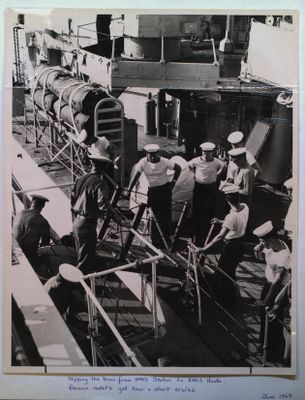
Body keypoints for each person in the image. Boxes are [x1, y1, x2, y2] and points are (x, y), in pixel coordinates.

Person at [197, 184, 249, 306]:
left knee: (223, 273)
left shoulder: (231, 216)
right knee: (230, 272)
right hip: (240, 244)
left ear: (227, 199)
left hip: (230, 246)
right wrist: (221, 221)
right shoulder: (245, 207)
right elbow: (237, 222)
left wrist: (203, 249)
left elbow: (220, 236)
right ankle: (229, 298)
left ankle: (226, 302)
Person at [126, 144, 181, 248]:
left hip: (164, 190)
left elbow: (178, 168)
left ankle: (166, 240)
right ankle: (153, 240)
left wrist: (172, 183)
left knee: (165, 215)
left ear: (158, 153)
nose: (152, 157)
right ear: (146, 154)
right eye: (150, 155)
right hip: (152, 191)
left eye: (154, 154)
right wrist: (129, 190)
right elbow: (136, 176)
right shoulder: (143, 162)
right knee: (152, 215)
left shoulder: (164, 161)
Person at [253, 221, 291, 362]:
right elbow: (261, 258)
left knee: (273, 318)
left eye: (263, 241)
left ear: (272, 239)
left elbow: (278, 281)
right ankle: (264, 344)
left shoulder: (284, 255)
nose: (262, 244)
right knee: (264, 316)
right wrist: (257, 250)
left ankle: (273, 352)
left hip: (278, 288)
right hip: (268, 283)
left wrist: (267, 300)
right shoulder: (270, 246)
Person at [71, 154, 114, 273]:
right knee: (86, 260)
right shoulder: (100, 184)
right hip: (87, 225)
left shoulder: (80, 179)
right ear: (104, 169)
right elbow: (104, 205)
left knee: (80, 254)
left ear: (92, 164)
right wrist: (120, 220)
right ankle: (78, 284)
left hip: (76, 222)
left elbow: (72, 201)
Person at [188, 142, 224, 245]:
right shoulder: (196, 161)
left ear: (212, 152)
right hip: (199, 187)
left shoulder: (216, 162)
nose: (206, 155)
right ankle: (196, 234)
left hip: (211, 188)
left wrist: (217, 174)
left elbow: (223, 166)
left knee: (209, 210)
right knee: (197, 210)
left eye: (208, 153)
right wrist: (194, 174)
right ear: (202, 152)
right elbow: (189, 165)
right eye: (204, 152)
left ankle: (208, 234)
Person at [13, 194, 51, 266]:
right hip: (28, 257)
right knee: (47, 259)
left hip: (14, 252)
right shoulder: (43, 221)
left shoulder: (19, 213)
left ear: (31, 203)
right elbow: (45, 244)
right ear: (42, 206)